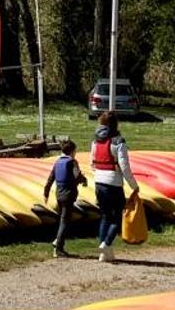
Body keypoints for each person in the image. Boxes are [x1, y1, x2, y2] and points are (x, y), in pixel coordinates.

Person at [90, 112, 139, 262]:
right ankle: (106, 243)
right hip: (113, 183)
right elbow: (124, 167)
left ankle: (104, 253)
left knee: (105, 216)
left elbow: (92, 163)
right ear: (115, 124)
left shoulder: (95, 141)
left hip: (99, 182)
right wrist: (134, 186)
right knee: (117, 218)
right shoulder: (119, 142)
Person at [43, 138, 82, 256]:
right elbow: (77, 176)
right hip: (68, 194)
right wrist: (83, 180)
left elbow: (50, 179)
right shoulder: (72, 162)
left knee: (63, 220)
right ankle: (58, 246)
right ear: (72, 151)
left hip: (59, 194)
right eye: (75, 151)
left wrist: (46, 193)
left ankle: (58, 243)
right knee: (65, 221)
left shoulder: (57, 162)